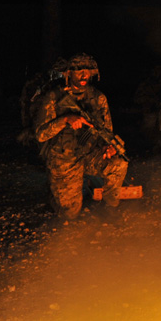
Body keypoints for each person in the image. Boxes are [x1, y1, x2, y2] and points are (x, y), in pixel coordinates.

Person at [33, 53, 127, 220]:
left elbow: (107, 131)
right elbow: (40, 135)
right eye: (79, 71)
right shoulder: (55, 97)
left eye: (88, 71)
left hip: (89, 154)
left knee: (119, 163)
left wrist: (108, 146)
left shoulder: (98, 98)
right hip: (64, 159)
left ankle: (110, 206)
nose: (84, 75)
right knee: (71, 213)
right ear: (69, 73)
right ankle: (54, 195)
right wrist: (66, 120)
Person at [19, 58, 67, 147]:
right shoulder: (38, 82)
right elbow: (26, 104)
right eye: (59, 72)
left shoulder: (64, 84)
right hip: (38, 119)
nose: (62, 75)